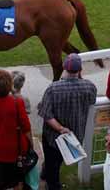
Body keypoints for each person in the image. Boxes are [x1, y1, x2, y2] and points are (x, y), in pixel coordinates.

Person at [37, 53, 98, 190]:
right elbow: (90, 102)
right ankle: (45, 174)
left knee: (53, 164)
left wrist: (60, 128)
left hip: (54, 136)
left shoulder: (53, 88)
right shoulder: (90, 87)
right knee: (57, 161)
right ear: (80, 69)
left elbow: (46, 114)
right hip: (75, 135)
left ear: (64, 68)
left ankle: (52, 185)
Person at [0, 69, 31, 190]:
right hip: (15, 148)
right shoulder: (17, 102)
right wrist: (31, 145)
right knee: (17, 180)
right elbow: (26, 127)